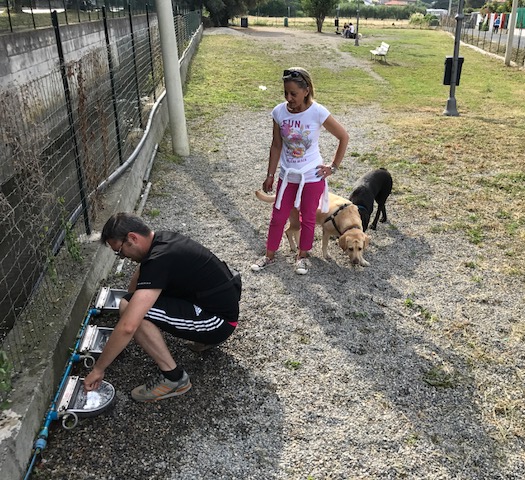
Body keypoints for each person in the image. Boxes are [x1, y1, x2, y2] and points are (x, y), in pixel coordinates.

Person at [84, 212, 241, 402]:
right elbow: (136, 284)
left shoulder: (159, 259)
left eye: (120, 252)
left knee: (131, 311)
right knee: (131, 305)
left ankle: (174, 378)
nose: (123, 257)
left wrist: (98, 369)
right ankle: (201, 338)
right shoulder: (162, 240)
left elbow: (128, 326)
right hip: (216, 306)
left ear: (132, 238)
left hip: (218, 323)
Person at [251, 67, 349, 275]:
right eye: (285, 93)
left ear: (306, 91)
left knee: (308, 218)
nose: (289, 98)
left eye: (293, 93)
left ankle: (302, 256)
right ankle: (269, 255)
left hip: (312, 176)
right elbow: (276, 145)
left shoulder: (318, 112)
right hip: (288, 175)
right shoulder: (279, 112)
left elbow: (343, 137)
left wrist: (333, 167)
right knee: (278, 217)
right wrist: (270, 175)